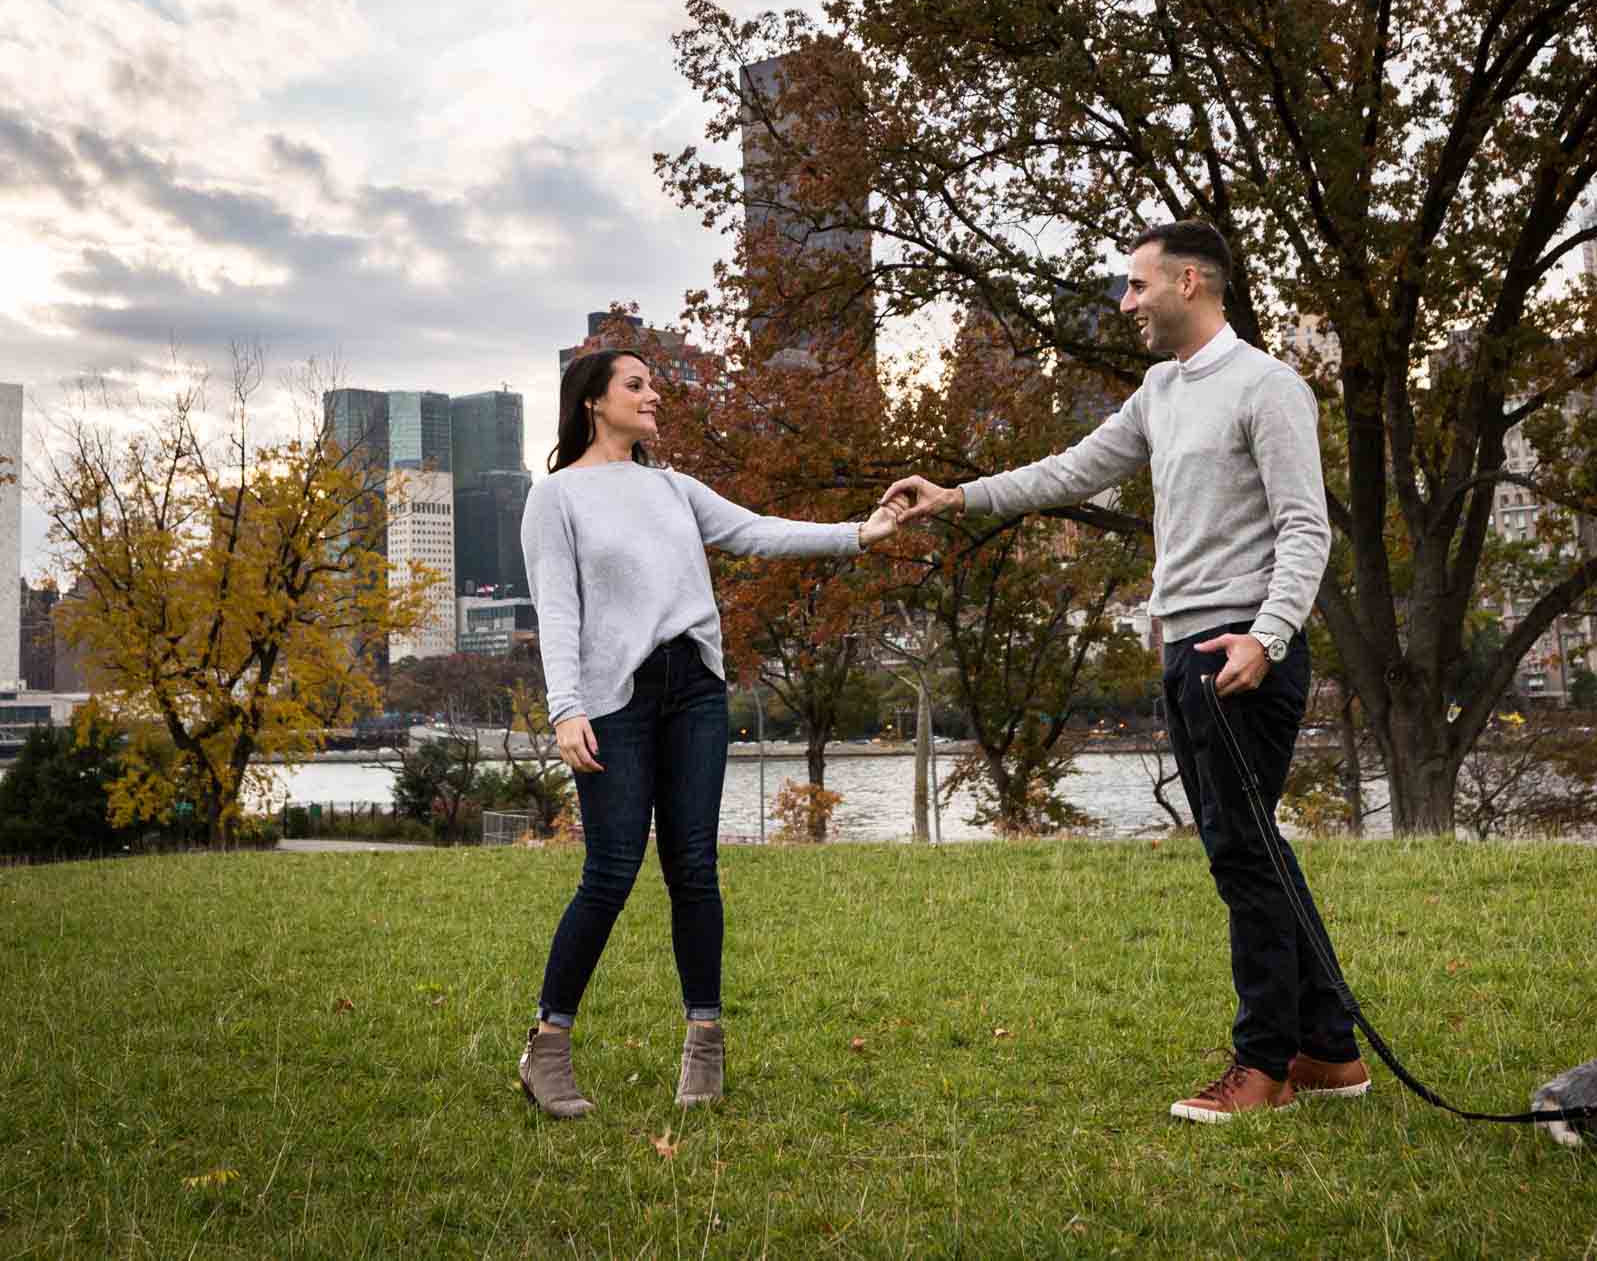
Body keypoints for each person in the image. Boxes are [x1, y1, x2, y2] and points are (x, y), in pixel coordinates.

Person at [881, 220, 1361, 1124]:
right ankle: (1329, 1045)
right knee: (1248, 848)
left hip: (1239, 652)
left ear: (1190, 282)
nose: (1126, 303)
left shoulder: (1268, 386)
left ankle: (1264, 1063)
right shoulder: (1159, 390)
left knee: (1242, 855)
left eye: (1137, 286)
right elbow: (1072, 471)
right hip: (1185, 647)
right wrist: (956, 495)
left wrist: (1267, 637)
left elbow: (1307, 527)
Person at [518, 348, 902, 1118]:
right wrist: (565, 709)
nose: (652, 394)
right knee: (612, 870)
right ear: (594, 401)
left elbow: (759, 532)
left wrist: (860, 533)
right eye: (636, 383)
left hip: (694, 688)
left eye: (651, 383)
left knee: (693, 865)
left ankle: (704, 1045)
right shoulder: (556, 498)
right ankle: (547, 1047)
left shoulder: (673, 487)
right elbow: (557, 610)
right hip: (613, 698)